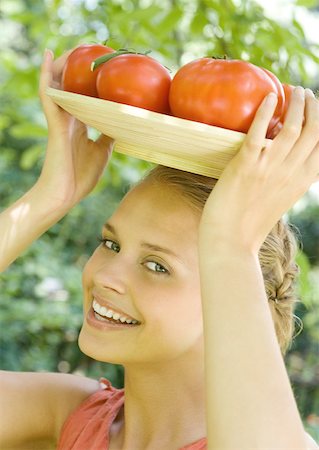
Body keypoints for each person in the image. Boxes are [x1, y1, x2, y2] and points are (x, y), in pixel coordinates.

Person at [0, 48, 318, 450]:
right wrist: (50, 197)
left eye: (157, 265)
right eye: (111, 244)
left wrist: (231, 245)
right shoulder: (71, 416)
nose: (105, 276)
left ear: (230, 293)